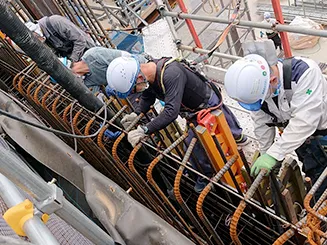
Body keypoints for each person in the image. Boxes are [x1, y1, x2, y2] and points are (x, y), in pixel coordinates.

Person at [106, 56, 247, 192]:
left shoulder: (171, 74)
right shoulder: (149, 73)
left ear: (139, 78)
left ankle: (206, 175)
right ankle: (236, 135)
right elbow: (147, 97)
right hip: (192, 107)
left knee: (192, 145)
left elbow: (171, 112)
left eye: (133, 89)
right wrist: (137, 114)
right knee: (221, 120)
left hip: (205, 103)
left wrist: (145, 130)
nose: (135, 92)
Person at [224, 53, 327, 199]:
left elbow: (305, 122)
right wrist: (267, 153)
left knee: (322, 177)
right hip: (299, 138)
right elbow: (262, 123)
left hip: (321, 132)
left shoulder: (304, 73)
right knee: (312, 170)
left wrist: (274, 154)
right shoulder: (259, 89)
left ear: (273, 80)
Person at [71, 47, 148, 94]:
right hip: (130, 86)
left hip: (139, 69)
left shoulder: (93, 55)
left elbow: (125, 57)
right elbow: (95, 94)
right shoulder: (86, 81)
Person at [25, 15, 95, 62]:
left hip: (88, 50)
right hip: (75, 57)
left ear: (36, 32)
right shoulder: (44, 35)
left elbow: (80, 40)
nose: (38, 41)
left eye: (36, 38)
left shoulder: (56, 22)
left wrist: (73, 61)